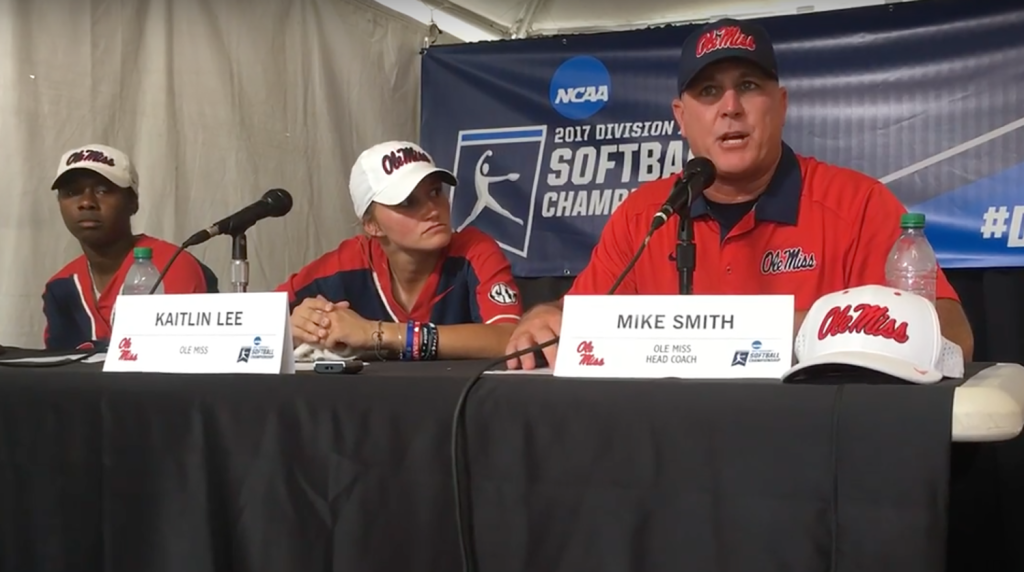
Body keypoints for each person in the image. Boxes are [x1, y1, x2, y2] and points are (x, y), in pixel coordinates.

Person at [505, 18, 974, 370]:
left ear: (782, 104)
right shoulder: (645, 215)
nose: (730, 108)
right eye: (709, 91)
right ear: (681, 118)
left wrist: (802, 329)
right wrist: (545, 316)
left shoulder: (857, 204)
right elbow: (577, 318)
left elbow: (953, 338)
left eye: (748, 86)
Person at [278, 140, 522, 360]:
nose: (433, 209)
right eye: (407, 202)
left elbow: (509, 339)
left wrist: (375, 333)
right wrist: (293, 328)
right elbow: (249, 322)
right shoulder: (350, 259)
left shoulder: (474, 249)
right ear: (372, 225)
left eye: (435, 192)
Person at [43, 144, 219, 351]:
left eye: (102, 190)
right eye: (72, 192)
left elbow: (186, 361)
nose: (86, 202)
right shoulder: (61, 286)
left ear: (133, 202)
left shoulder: (170, 265)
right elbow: (56, 369)